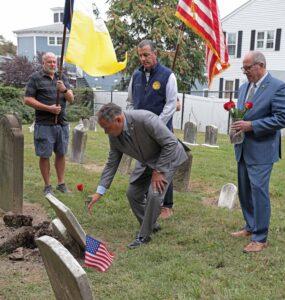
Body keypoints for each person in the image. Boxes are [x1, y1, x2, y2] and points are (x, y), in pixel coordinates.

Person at [88, 103, 188, 249]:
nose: (105, 132)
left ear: (118, 120)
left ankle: (143, 236)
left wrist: (159, 170)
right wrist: (99, 191)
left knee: (155, 194)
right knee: (133, 193)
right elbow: (112, 163)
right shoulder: (114, 135)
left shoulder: (145, 119)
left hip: (167, 157)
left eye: (106, 128)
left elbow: (171, 143)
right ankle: (151, 225)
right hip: (146, 160)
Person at [230, 51, 285, 253]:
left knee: (258, 192)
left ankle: (260, 237)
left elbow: (283, 118)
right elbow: (240, 113)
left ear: (260, 66)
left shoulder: (278, 87)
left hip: (262, 150)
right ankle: (250, 226)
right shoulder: (243, 87)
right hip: (242, 148)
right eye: (244, 68)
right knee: (246, 191)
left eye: (248, 68)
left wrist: (252, 125)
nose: (245, 72)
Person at [126, 39, 178, 220]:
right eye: (140, 55)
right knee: (145, 165)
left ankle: (167, 206)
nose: (143, 58)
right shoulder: (136, 76)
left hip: (162, 131)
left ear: (155, 54)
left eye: (146, 55)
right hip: (141, 133)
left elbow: (171, 104)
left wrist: (156, 125)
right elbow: (131, 102)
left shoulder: (168, 76)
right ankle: (149, 199)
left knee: (163, 166)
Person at [24, 52, 74, 195]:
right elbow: (27, 99)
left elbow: (71, 99)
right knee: (44, 155)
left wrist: (64, 89)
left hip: (62, 124)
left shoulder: (62, 77)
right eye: (50, 62)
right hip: (44, 124)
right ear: (43, 63)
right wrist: (49, 109)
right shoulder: (36, 78)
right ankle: (47, 186)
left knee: (61, 154)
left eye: (55, 62)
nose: (53, 64)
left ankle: (61, 184)